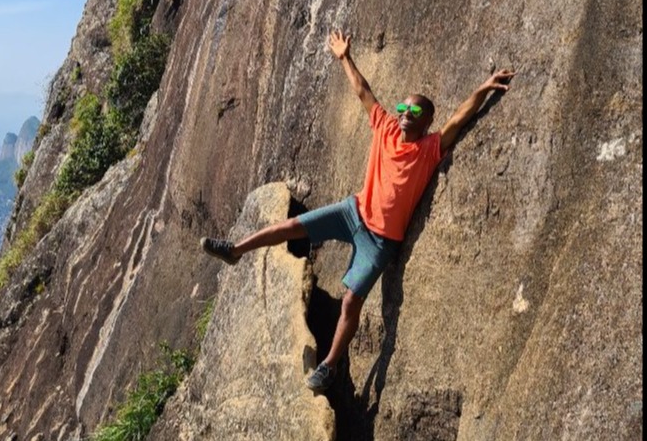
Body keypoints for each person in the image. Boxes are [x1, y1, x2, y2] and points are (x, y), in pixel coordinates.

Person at [201, 29, 515, 394]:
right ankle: (235, 251)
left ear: (427, 120)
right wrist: (343, 57)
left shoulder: (430, 148)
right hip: (354, 211)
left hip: (381, 241)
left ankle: (329, 367)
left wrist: (485, 87)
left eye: (414, 111)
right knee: (292, 225)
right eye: (402, 107)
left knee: (352, 299)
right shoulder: (384, 127)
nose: (404, 114)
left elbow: (460, 118)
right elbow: (363, 91)